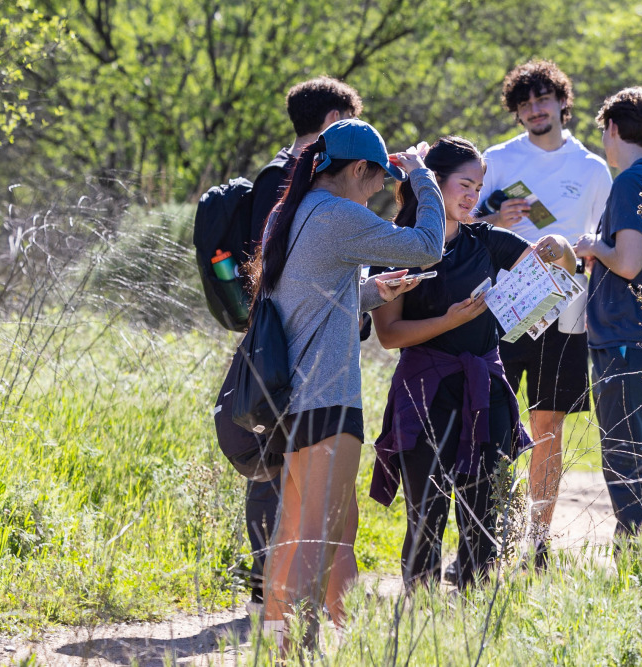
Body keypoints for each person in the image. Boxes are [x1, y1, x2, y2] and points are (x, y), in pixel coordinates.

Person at [251, 119, 445, 650]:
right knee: (319, 530)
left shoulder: (288, 216)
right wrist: (422, 178)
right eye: (379, 179)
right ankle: (303, 646)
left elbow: (307, 301)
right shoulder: (338, 214)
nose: (381, 189)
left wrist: (370, 291)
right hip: (327, 398)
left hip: (287, 399)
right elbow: (428, 246)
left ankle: (276, 641)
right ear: (358, 169)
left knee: (293, 529)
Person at [368, 136, 577, 588]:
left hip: (486, 391)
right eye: (464, 184)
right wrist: (448, 320)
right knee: (426, 514)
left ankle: (474, 607)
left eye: (478, 187)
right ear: (432, 182)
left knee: (484, 517)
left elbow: (559, 273)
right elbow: (388, 335)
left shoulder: (487, 241)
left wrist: (558, 244)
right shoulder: (396, 247)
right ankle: (419, 615)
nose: (473, 196)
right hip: (425, 391)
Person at [474, 60, 612, 568]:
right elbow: (462, 223)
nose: (534, 110)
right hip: (504, 312)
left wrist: (576, 254)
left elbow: (604, 245)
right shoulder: (498, 160)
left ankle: (538, 541)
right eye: (524, 103)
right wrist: (493, 216)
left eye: (543, 100)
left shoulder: (592, 170)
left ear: (561, 102)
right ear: (517, 111)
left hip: (565, 315)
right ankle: (487, 538)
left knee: (547, 427)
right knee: (495, 424)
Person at [242, 76, 363, 617]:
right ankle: (287, 619)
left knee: (308, 502)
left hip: (284, 349)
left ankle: (294, 617)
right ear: (332, 120)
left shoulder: (286, 178)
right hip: (293, 360)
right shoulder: (292, 183)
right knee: (295, 501)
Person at [574, 86, 642, 540]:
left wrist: (594, 246)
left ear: (612, 127)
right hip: (639, 334)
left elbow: (629, 262)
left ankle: (636, 554)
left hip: (624, 337)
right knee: (640, 450)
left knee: (625, 452)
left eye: (604, 134)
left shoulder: (631, 181)